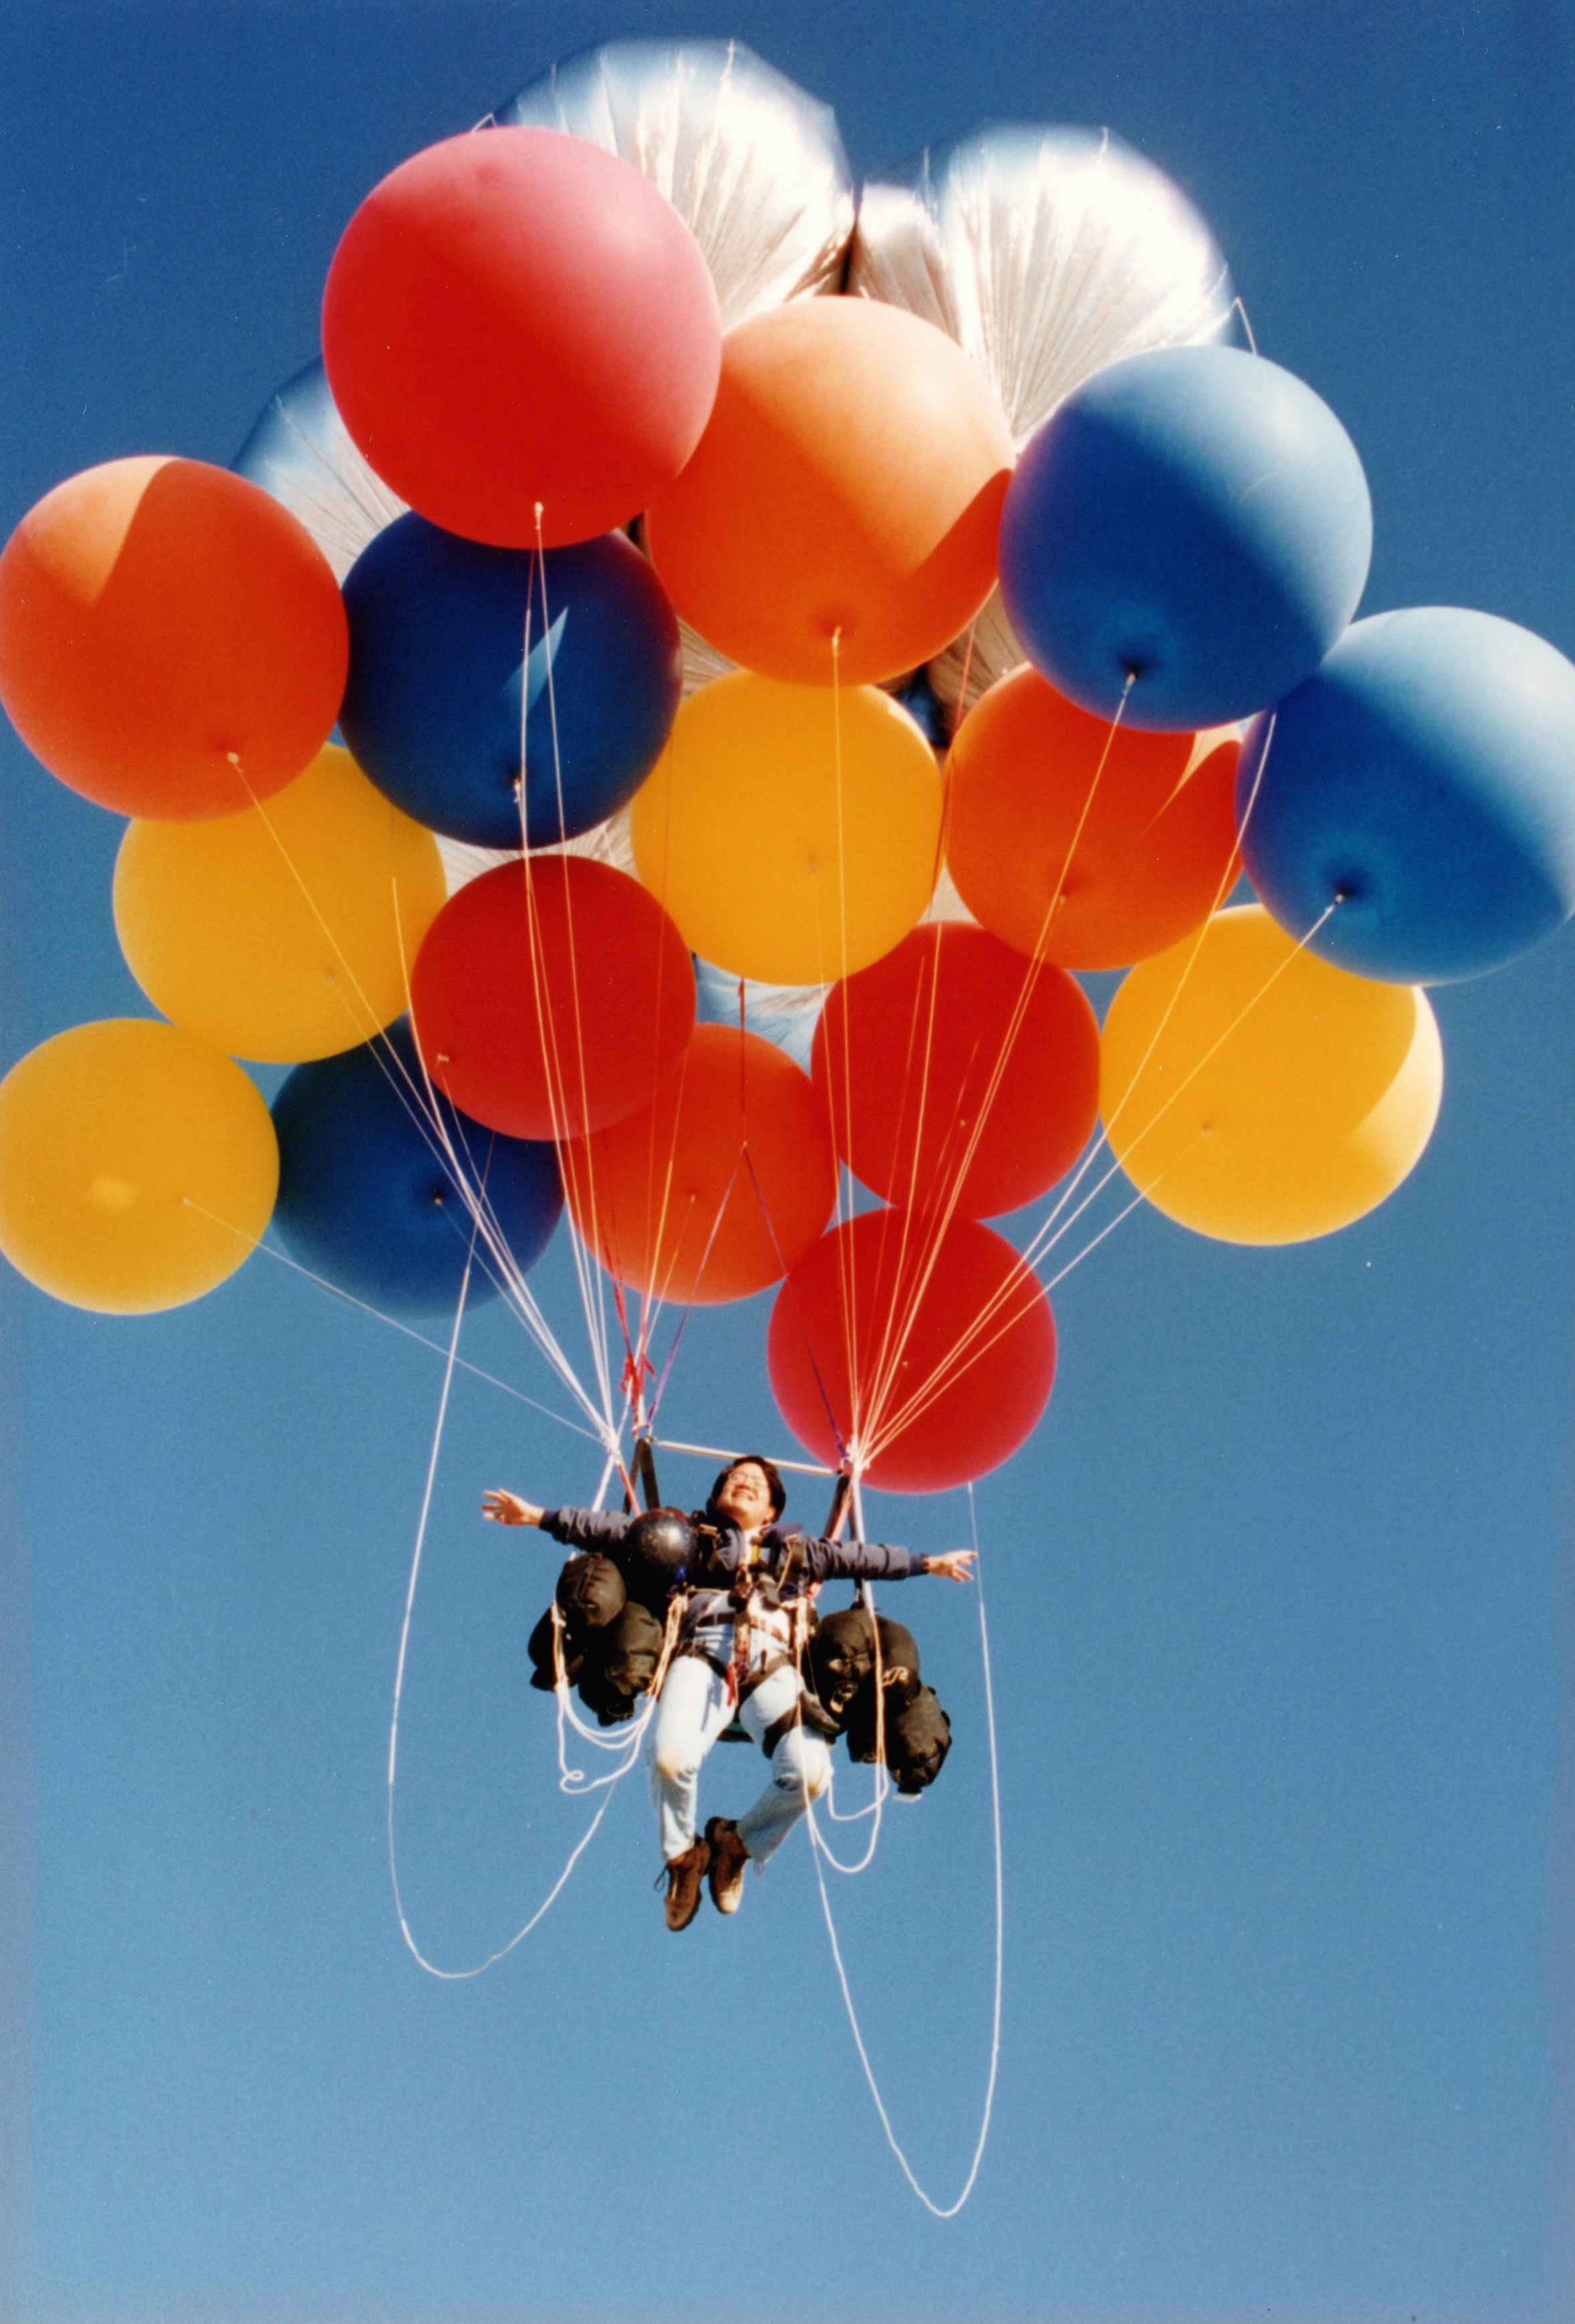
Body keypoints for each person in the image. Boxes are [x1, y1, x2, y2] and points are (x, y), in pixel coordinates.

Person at [483, 1456, 975, 1930]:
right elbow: (615, 1529)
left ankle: (737, 1845)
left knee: (812, 1774)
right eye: (736, 1478)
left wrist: (928, 1563)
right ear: (718, 1497)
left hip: (774, 1663)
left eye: (757, 1482)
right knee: (669, 1760)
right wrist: (539, 1516)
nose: (746, 1483)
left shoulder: (800, 1553)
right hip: (704, 1653)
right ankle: (684, 1856)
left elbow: (864, 1558)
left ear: (773, 1509)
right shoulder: (690, 1538)